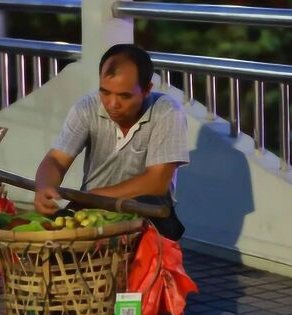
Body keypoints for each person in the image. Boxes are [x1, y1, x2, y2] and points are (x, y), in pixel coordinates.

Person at [34, 44, 189, 240]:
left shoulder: (167, 111)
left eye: (124, 96)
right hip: (90, 212)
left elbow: (156, 182)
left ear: (147, 90)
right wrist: (44, 187)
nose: (112, 104)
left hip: (147, 215)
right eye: (105, 92)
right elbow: (56, 159)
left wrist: (92, 198)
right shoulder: (87, 107)